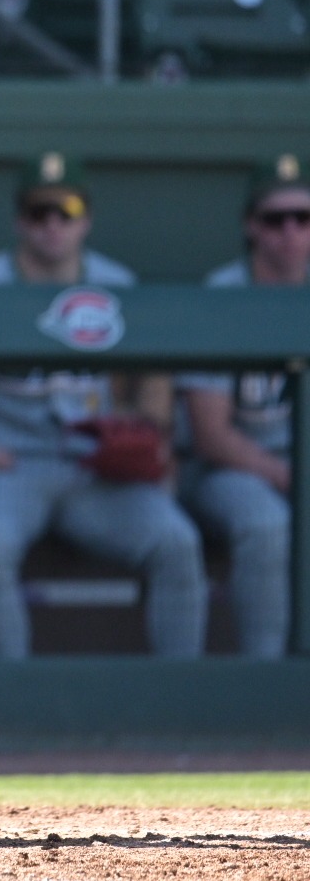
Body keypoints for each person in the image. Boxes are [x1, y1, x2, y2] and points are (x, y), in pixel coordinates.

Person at [0, 152, 207, 659]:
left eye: (65, 210)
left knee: (176, 541)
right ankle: (10, 700)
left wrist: (153, 433)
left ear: (86, 218)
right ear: (18, 220)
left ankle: (181, 700)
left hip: (94, 469)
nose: (52, 225)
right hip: (7, 466)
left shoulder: (119, 286)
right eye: (37, 212)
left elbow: (154, 373)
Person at [176, 152, 308, 659]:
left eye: (304, 219)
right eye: (276, 220)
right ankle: (266, 668)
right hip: (226, 472)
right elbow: (211, 435)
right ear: (252, 226)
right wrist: (285, 475)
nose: (291, 233)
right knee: (266, 524)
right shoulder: (222, 297)